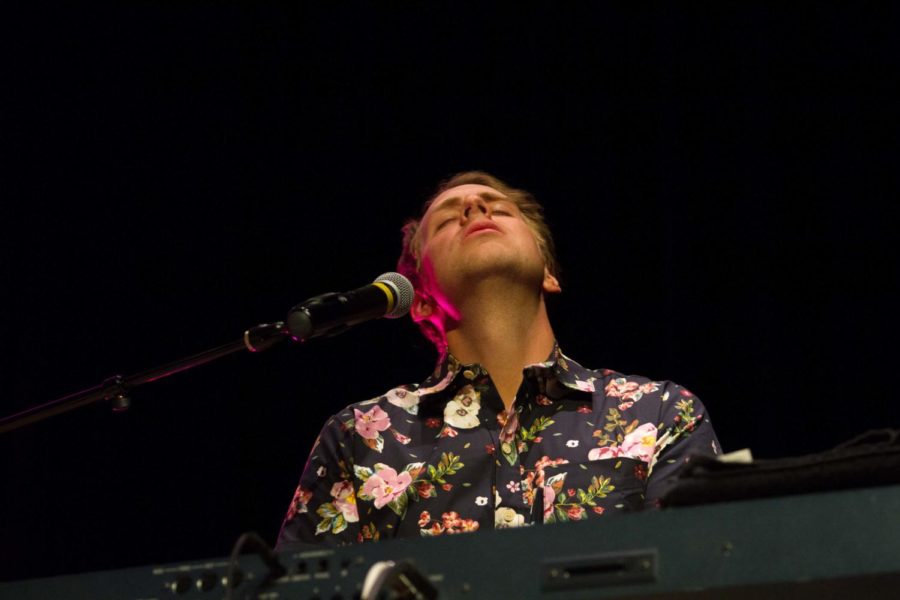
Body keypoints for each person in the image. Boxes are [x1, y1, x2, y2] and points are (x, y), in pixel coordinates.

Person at [275, 171, 720, 548]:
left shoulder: (658, 412)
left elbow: (703, 572)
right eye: (450, 219)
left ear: (549, 274)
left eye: (499, 208)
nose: (474, 207)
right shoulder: (359, 435)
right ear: (422, 301)